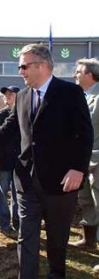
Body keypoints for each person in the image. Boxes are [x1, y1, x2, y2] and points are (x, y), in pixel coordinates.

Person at [0, 43, 94, 279]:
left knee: (57, 238)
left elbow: (84, 134)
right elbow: (7, 130)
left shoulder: (70, 93)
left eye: (23, 66)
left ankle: (56, 274)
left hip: (62, 182)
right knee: (26, 236)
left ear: (41, 65)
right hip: (26, 181)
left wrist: (77, 169)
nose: (20, 71)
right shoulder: (22, 97)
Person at [71, 58, 99, 273]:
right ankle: (88, 240)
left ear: (91, 75)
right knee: (86, 200)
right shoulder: (83, 97)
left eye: (79, 71)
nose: (75, 75)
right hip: (84, 160)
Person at [0, 85, 20, 239]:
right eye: (5, 94)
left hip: (21, 163)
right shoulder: (0, 116)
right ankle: (4, 224)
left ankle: (18, 223)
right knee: (1, 194)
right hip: (2, 162)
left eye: (10, 94)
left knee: (18, 195)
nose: (7, 96)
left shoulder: (27, 115)